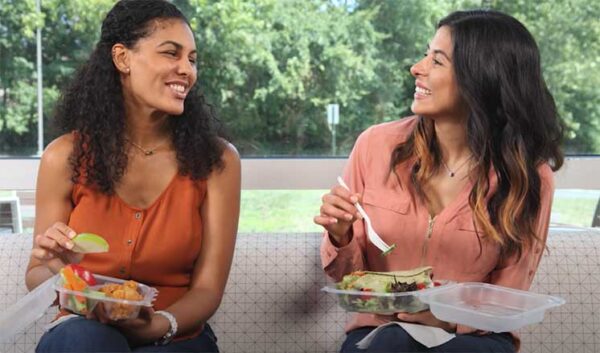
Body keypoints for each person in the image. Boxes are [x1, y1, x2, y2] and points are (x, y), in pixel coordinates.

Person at [315, 9, 563, 353]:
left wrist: (448, 318)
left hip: (475, 339)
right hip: (382, 335)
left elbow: (510, 295)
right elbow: (350, 281)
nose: (417, 68)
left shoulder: (529, 176)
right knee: (391, 342)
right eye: (424, 55)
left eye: (437, 61)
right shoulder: (375, 146)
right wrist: (340, 235)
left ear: (481, 78)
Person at [25, 0, 240, 352]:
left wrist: (158, 324)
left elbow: (207, 289)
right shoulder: (63, 156)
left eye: (192, 58)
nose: (186, 69)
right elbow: (36, 273)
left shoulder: (218, 162)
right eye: (171, 53)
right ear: (122, 58)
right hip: (84, 328)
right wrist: (58, 272)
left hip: (174, 333)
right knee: (86, 340)